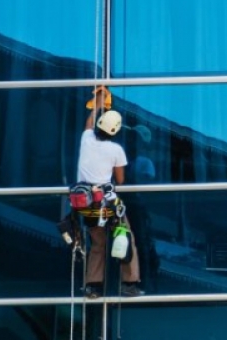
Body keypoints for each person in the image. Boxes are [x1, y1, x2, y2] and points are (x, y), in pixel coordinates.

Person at [76, 87, 143, 298]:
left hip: (87, 204)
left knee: (98, 243)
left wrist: (98, 103)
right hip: (107, 202)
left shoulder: (86, 141)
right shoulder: (116, 150)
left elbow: (88, 124)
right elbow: (120, 180)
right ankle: (129, 284)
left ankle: (93, 286)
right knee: (124, 237)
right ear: (116, 131)